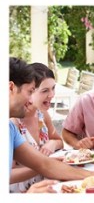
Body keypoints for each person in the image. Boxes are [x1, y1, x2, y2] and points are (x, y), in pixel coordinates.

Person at [9, 57, 94, 193]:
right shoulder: (13, 124)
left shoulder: (9, 129)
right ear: (11, 88)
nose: (31, 100)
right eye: (30, 92)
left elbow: (43, 164)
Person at [10, 63, 64, 192]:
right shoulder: (13, 123)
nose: (52, 95)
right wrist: (45, 166)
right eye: (45, 91)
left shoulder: (42, 115)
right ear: (30, 91)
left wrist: (52, 144)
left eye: (53, 88)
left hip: (46, 183)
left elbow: (60, 141)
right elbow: (8, 174)